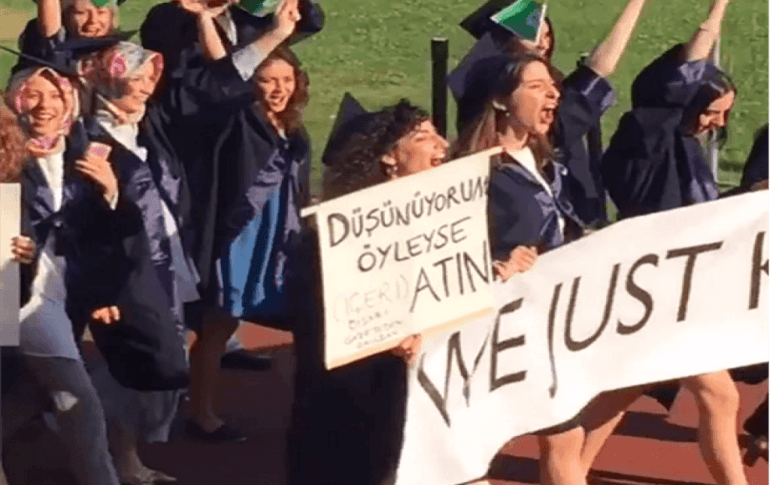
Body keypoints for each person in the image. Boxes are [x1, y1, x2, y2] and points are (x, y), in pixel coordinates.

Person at [600, 1, 750, 483]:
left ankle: (566, 466)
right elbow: (680, 77)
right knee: (720, 396)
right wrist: (717, 10)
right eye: (711, 112)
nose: (718, 124)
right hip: (654, 285)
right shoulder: (648, 136)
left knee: (614, 396)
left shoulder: (684, 146)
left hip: (677, 288)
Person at [156, 0, 313, 441]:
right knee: (217, 325)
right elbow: (224, 74)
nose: (278, 89)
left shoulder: (293, 129)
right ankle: (201, 414)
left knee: (297, 320)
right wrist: (206, 21)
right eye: (267, 80)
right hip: (238, 238)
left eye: (286, 80)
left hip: (279, 235)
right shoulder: (238, 118)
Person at [287, 95, 443, 485]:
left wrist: (503, 269)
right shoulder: (336, 234)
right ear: (390, 157)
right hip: (352, 394)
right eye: (423, 137)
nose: (441, 144)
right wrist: (385, 335)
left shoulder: (445, 223)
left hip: (418, 385)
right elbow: (316, 320)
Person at [77, 41, 200, 484]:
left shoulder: (145, 128)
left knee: (162, 352)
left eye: (151, 76)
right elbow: (91, 215)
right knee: (137, 362)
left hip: (167, 257)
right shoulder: (94, 140)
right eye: (138, 77)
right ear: (112, 81)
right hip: (129, 268)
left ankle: (124, 455)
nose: (148, 85)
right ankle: (114, 452)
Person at [0, 65, 129, 485]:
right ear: (15, 101)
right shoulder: (6, 153)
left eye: (55, 95)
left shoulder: (85, 153)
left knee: (46, 392)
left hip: (60, 297)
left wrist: (110, 192)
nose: (45, 106)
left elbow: (102, 234)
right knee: (74, 398)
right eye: (33, 95)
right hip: (19, 298)